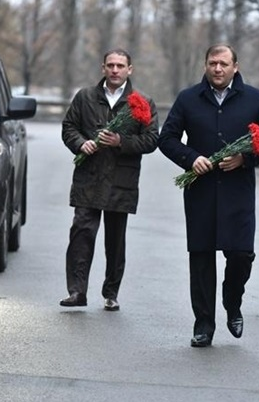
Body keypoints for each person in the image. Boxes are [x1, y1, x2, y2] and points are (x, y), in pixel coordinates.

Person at [158, 44, 259, 347]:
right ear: (205, 65)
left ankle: (232, 300)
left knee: (241, 255)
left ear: (235, 67)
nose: (218, 69)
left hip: (237, 193)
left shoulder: (254, 98)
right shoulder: (188, 98)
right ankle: (203, 324)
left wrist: (245, 159)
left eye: (224, 64)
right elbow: (167, 138)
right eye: (213, 63)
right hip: (201, 191)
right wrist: (191, 159)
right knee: (201, 258)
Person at [60, 48, 159, 311]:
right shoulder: (85, 97)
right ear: (103, 68)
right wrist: (81, 144)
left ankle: (111, 293)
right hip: (89, 177)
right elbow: (69, 127)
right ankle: (77, 291)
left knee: (115, 239)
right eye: (110, 65)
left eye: (120, 66)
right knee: (81, 232)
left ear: (129, 69)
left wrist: (120, 141)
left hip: (121, 180)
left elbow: (151, 140)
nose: (115, 70)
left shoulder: (142, 102)